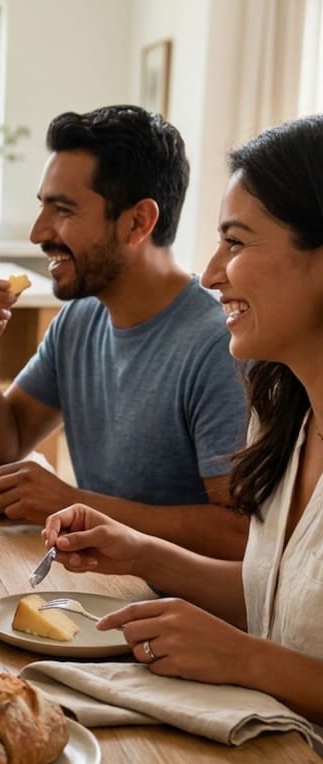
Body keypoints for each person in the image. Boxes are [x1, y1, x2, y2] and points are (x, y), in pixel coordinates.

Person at [42, 115, 323, 727]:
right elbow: (275, 602)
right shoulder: (288, 420)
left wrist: (244, 658)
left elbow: (267, 644)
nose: (212, 272)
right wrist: (141, 552)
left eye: (238, 243)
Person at [0, 105, 248, 559]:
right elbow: (1, 450)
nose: (38, 233)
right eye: (42, 207)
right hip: (98, 593)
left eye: (63, 210)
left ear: (138, 222)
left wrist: (76, 503)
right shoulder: (78, 321)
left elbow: (239, 535)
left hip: (174, 616)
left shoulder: (219, 346)